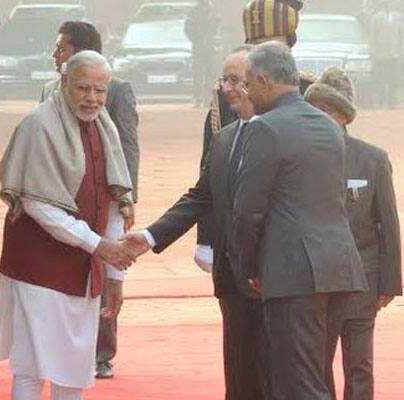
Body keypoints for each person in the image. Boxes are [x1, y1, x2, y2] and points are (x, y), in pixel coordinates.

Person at [122, 46, 267, 400]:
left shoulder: (290, 135)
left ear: (259, 83)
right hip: (233, 276)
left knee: (278, 375)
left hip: (278, 278)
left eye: (234, 80)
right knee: (239, 374)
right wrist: (151, 236)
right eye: (224, 79)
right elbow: (202, 195)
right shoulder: (224, 139)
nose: (225, 88)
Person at [0, 50, 134, 400]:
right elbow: (39, 205)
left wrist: (115, 274)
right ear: (64, 82)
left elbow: (114, 199)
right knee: (31, 366)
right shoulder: (38, 125)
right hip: (38, 270)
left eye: (100, 91)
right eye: (83, 88)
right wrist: (99, 246)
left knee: (74, 368)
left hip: (85, 270)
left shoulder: (106, 128)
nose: (92, 99)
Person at [235, 42, 367, 399]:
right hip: (339, 268)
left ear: (264, 81)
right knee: (315, 377)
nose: (245, 91)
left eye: (247, 83)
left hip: (293, 274)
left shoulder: (265, 128)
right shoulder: (330, 127)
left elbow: (248, 210)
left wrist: (248, 268)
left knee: (298, 386)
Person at [40, 20, 139, 379]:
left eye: (61, 47)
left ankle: (101, 353)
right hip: (62, 197)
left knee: (105, 268)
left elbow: (126, 144)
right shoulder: (50, 89)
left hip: (105, 197)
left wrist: (127, 198)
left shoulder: (118, 89)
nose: (55, 54)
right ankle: (58, 348)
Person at [305, 66, 403, 400]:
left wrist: (389, 284)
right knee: (317, 366)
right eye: (313, 108)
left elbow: (388, 226)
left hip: (362, 282)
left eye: (327, 110)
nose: (319, 115)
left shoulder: (372, 159)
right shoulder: (298, 159)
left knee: (360, 366)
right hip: (315, 283)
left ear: (345, 116)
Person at [196, 0, 312, 274]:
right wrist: (207, 237)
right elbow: (210, 174)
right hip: (237, 233)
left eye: (273, 45)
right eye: (258, 45)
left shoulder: (310, 91)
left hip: (295, 235)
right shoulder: (226, 95)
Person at [369, 0, 404, 109]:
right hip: (381, 54)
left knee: (393, 79)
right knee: (381, 80)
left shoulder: (399, 17)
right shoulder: (376, 18)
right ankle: (381, 102)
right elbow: (372, 36)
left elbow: (400, 35)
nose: (389, 5)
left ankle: (391, 103)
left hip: (395, 54)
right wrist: (373, 52)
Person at [185, 0, 220, 107]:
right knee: (198, 73)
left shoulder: (213, 11)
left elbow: (216, 26)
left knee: (210, 73)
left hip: (209, 46)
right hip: (198, 46)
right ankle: (198, 98)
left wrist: (210, 36)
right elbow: (188, 28)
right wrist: (196, 39)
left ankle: (208, 98)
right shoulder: (193, 12)